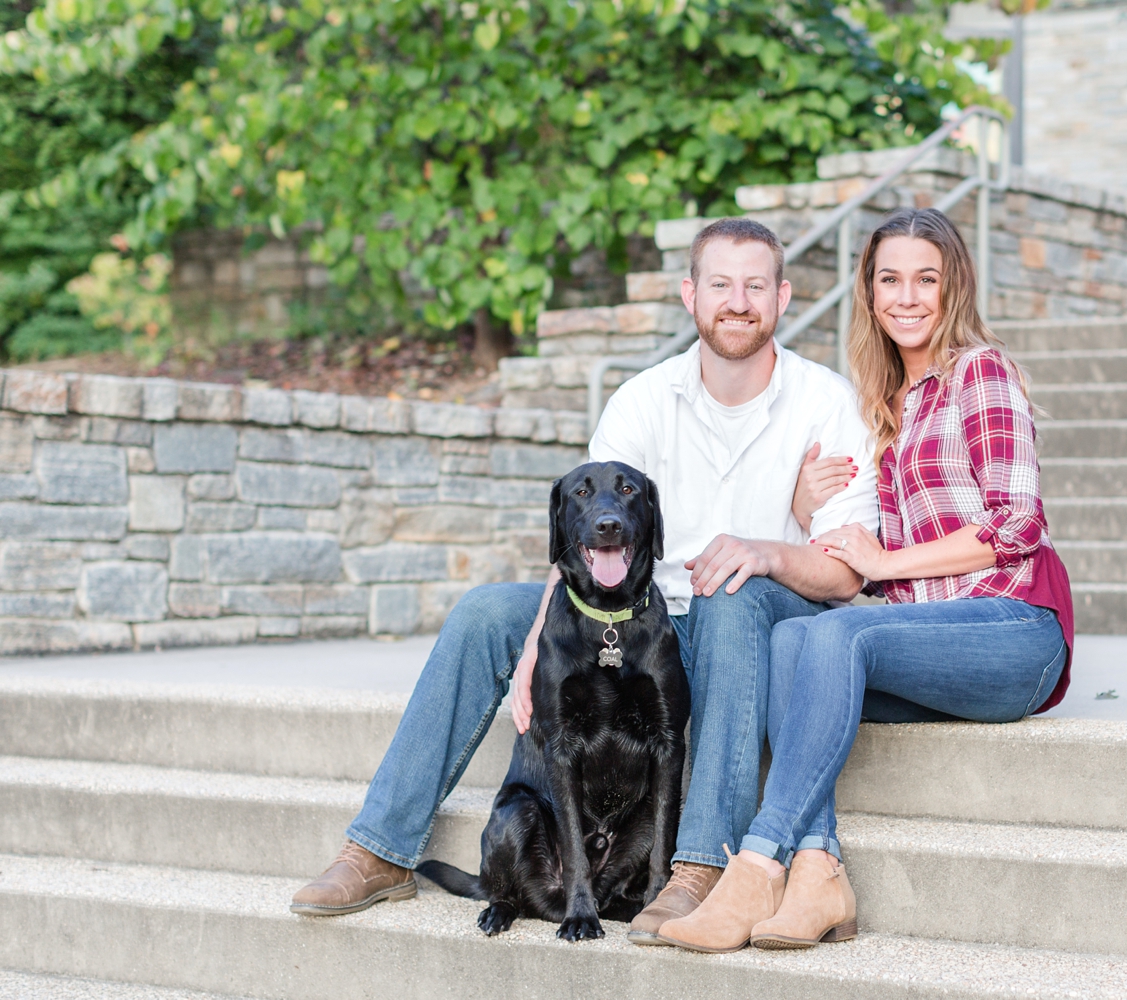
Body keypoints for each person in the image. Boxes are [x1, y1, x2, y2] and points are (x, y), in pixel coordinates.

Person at [289, 218, 882, 948]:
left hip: (750, 622)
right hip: (632, 616)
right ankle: (380, 847)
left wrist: (766, 551)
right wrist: (541, 635)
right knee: (484, 614)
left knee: (730, 599)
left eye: (755, 285)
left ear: (783, 296)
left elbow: (848, 570)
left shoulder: (829, 405)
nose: (738, 301)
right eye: (720, 284)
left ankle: (690, 871)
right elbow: (584, 536)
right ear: (690, 294)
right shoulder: (641, 399)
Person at [653, 207, 1074, 954]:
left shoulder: (980, 371)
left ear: (954, 289)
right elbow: (853, 537)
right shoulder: (880, 403)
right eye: (890, 280)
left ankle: (757, 863)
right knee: (793, 639)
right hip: (921, 638)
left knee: (832, 629)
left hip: (1011, 629)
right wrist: (804, 506)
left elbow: (1017, 524)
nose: (907, 297)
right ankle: (819, 873)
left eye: (926, 279)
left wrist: (882, 566)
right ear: (869, 292)